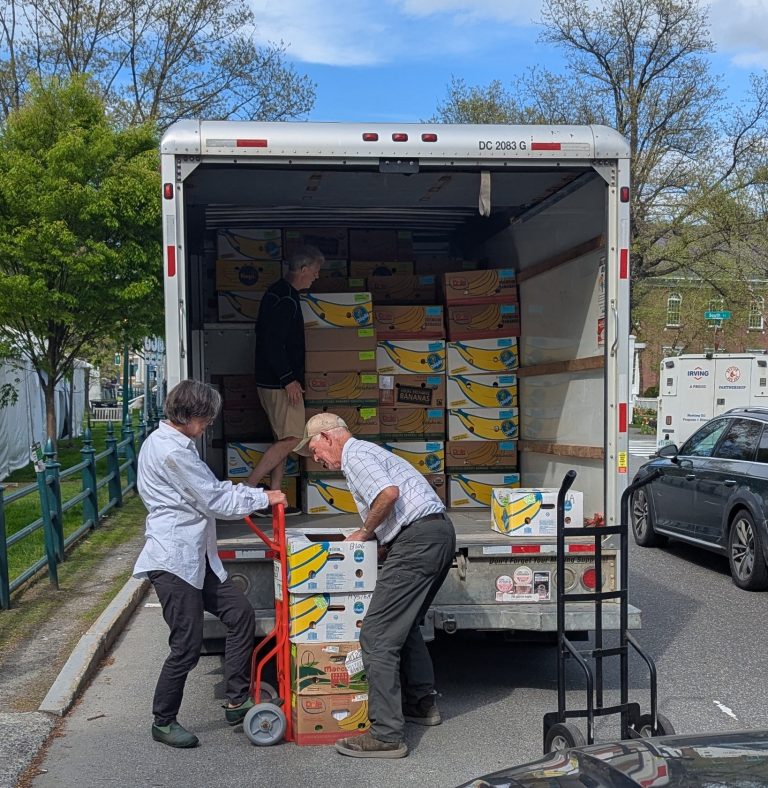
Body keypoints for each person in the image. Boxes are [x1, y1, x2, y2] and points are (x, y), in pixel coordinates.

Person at [133, 379, 287, 749]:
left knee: (239, 614)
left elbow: (212, 490)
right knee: (186, 646)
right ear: (189, 415)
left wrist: (253, 494)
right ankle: (163, 721)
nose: (207, 427)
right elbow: (214, 499)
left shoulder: (172, 444)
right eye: (205, 420)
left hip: (194, 556)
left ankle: (236, 700)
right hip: (174, 560)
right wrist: (263, 498)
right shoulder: (172, 452)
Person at [295, 412, 456, 759]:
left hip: (418, 541)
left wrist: (365, 532)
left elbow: (388, 493)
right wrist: (381, 543)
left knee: (377, 635)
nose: (317, 460)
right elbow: (398, 503)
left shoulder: (355, 455)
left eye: (315, 450)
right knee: (405, 625)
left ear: (329, 437)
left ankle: (386, 734)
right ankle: (420, 703)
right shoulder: (370, 452)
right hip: (438, 534)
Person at [246, 245, 324, 514]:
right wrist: (289, 379)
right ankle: (248, 491)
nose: (316, 277)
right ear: (303, 269)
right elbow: (273, 342)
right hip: (279, 383)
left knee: (282, 439)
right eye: (315, 271)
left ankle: (273, 498)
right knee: (292, 438)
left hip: (271, 380)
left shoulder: (278, 293)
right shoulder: (285, 299)